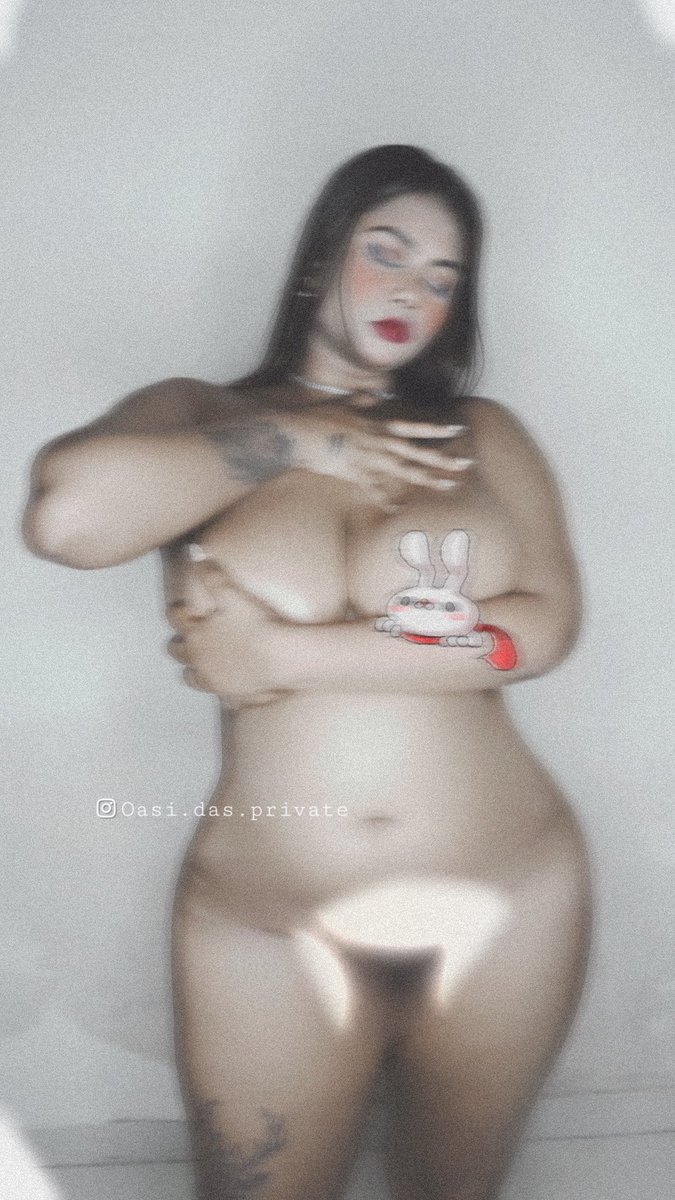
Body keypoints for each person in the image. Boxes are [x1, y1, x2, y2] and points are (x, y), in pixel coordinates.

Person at [23, 145, 592, 1200]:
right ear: (322, 254)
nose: (412, 292)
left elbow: (545, 629)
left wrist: (283, 654)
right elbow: (67, 518)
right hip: (267, 929)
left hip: (509, 898)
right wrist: (295, 442)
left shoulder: (475, 432)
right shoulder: (200, 413)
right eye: (389, 251)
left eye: (442, 277)